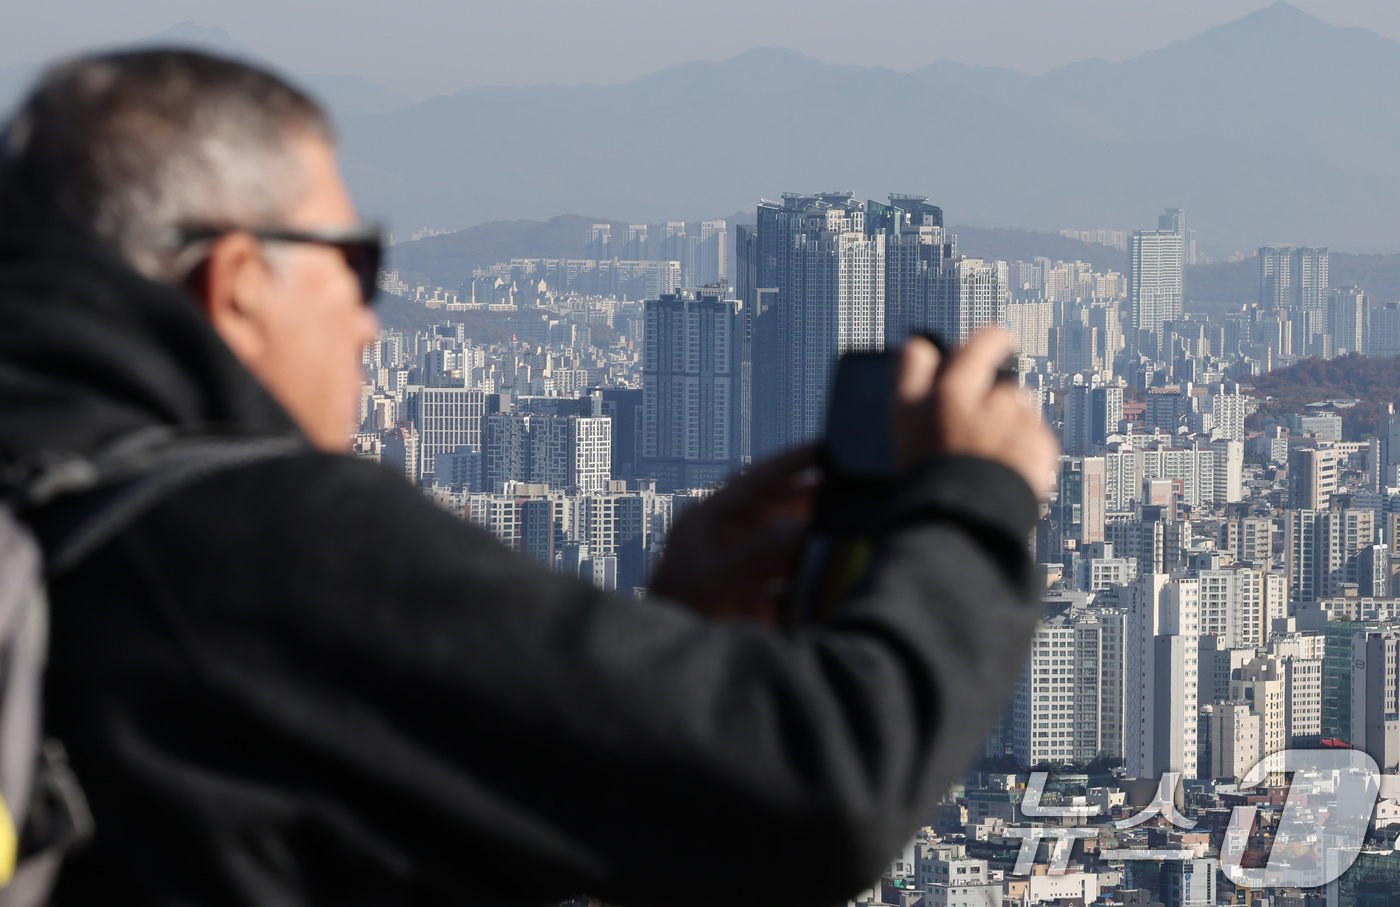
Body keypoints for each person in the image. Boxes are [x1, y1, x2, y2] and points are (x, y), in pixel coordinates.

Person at [0, 50, 1058, 907]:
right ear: (233, 285)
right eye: (356, 263)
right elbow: (818, 791)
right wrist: (974, 501)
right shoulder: (248, 539)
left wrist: (660, 644)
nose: (372, 322)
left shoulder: (54, 519)